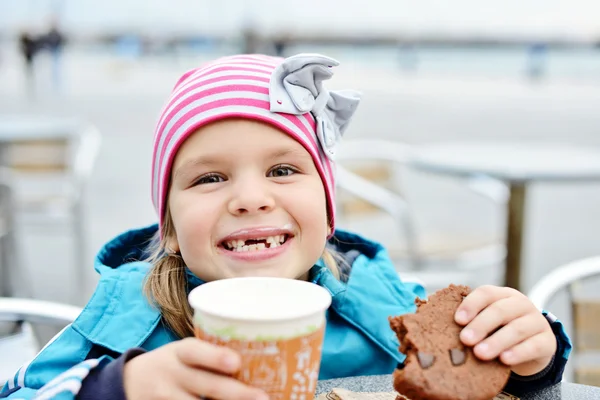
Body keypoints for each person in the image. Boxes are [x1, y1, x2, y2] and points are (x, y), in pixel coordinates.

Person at [0, 53, 571, 400]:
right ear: (169, 228)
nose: (250, 198)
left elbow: (472, 379)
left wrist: (527, 363)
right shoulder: (119, 323)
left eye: (282, 169)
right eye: (209, 179)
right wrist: (111, 391)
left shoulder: (384, 306)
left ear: (327, 214)